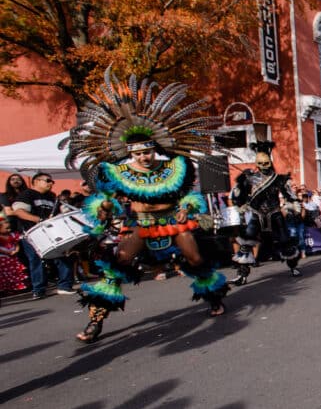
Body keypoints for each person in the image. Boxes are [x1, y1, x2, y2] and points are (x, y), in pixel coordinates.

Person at [62, 68, 228, 343]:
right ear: (130, 153)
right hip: (141, 225)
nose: (144, 157)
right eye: (138, 153)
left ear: (155, 149)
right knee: (118, 264)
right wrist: (104, 208)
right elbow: (109, 201)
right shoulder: (117, 173)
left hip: (174, 222)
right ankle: (96, 321)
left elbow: (189, 193)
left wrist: (188, 206)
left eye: (148, 151)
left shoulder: (176, 166)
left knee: (195, 258)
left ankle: (213, 298)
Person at [229, 141, 302, 285]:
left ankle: (293, 267)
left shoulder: (278, 179)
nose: (264, 167)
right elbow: (238, 195)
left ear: (270, 162)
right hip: (256, 215)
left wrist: (292, 205)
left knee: (285, 241)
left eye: (266, 163)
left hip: (275, 214)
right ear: (257, 163)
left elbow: (290, 195)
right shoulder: (249, 178)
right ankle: (242, 275)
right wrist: (241, 203)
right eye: (261, 164)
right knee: (246, 243)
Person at [9, 172, 76, 299]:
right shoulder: (27, 194)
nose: (51, 183)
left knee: (62, 256)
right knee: (36, 260)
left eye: (52, 181)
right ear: (36, 181)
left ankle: (65, 286)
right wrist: (39, 220)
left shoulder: (52, 197)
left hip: (50, 232)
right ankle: (38, 290)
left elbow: (59, 214)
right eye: (47, 181)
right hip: (31, 233)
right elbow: (19, 212)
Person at [0, 214, 28, 298]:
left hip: (13, 256)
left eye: (9, 228)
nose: (9, 230)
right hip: (3, 257)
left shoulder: (12, 235)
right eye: (6, 228)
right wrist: (7, 253)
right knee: (5, 274)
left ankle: (16, 287)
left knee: (15, 272)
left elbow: (16, 243)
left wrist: (16, 250)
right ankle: (5, 289)